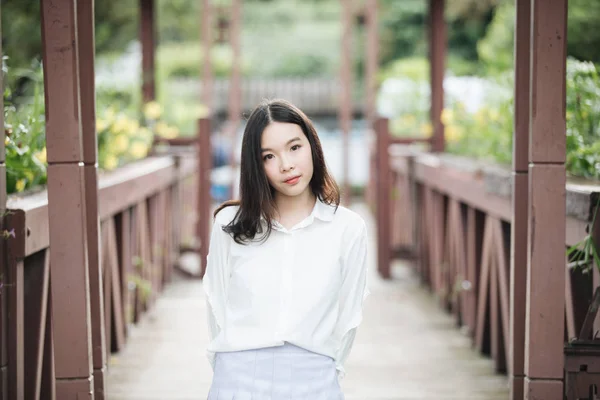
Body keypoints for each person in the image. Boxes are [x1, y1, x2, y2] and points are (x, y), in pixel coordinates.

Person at [204, 99, 369, 400]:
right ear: (256, 165)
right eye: (268, 156)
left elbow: (349, 317)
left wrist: (329, 370)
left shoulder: (348, 228)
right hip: (238, 377)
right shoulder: (230, 224)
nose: (286, 165)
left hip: (315, 377)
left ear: (313, 146)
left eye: (294, 148)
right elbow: (216, 304)